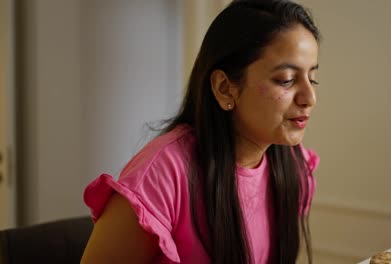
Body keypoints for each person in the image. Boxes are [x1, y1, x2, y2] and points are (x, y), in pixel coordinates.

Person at [81, 0, 321, 263]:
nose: (309, 98)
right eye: (286, 79)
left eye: (312, 78)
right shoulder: (161, 176)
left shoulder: (291, 164)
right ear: (225, 88)